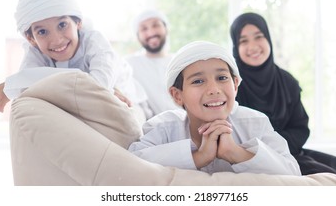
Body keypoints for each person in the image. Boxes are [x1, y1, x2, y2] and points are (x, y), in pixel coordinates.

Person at [230, 12, 336, 185]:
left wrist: (278, 144)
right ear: (236, 46)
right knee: (327, 181)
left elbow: (300, 127)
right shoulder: (231, 85)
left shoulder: (286, 81)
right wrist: (267, 148)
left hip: (291, 152)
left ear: (268, 39)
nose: (253, 46)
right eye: (244, 41)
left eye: (258, 37)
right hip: (254, 159)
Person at [129, 41, 301, 175]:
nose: (214, 89)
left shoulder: (255, 123)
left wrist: (236, 153)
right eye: (198, 81)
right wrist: (199, 157)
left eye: (222, 77)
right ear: (177, 95)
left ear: (235, 84)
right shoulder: (163, 127)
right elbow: (131, 164)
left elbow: (292, 172)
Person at [0, 0, 147, 123]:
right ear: (31, 39)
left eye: (62, 25)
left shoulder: (95, 42)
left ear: (78, 22)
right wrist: (20, 82)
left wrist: (17, 82)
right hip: (86, 102)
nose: (56, 40)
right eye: (42, 32)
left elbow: (99, 87)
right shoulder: (35, 51)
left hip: (131, 100)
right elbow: (29, 90)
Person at [126, 10, 178, 118]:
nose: (151, 32)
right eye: (144, 29)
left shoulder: (180, 61)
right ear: (138, 36)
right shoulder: (129, 65)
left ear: (166, 29)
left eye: (155, 25)